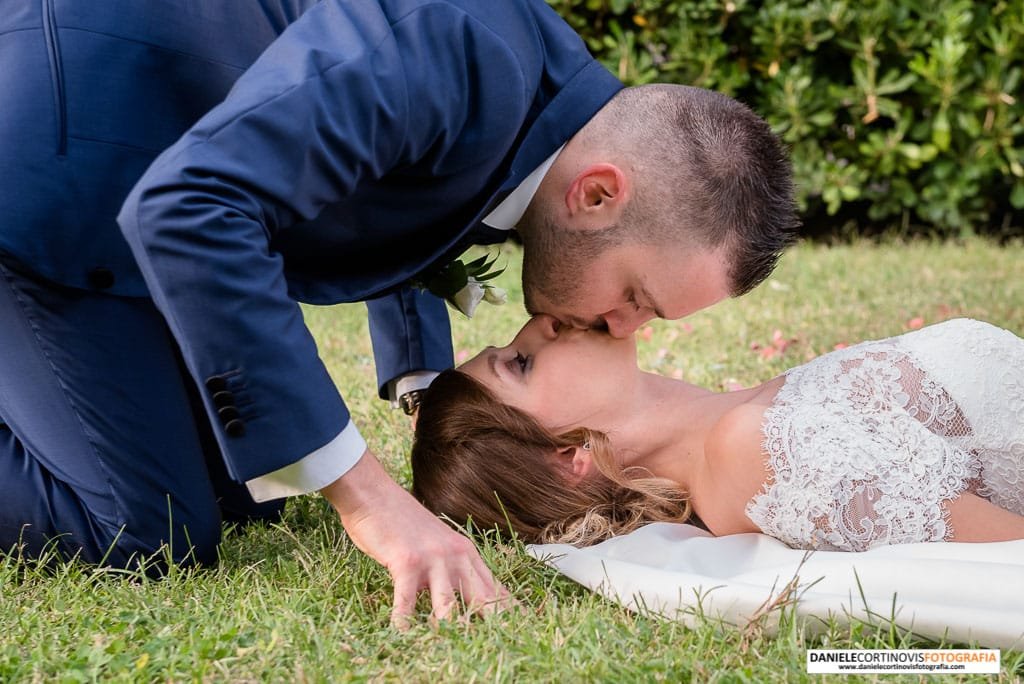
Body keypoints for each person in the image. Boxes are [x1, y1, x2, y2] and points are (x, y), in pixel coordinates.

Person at [0, 0, 797, 622]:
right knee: (145, 532)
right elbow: (191, 206)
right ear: (596, 194)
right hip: (52, 165)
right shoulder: (453, 43)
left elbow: (401, 188)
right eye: (635, 301)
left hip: (130, 184)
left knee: (238, 494)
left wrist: (424, 386)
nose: (625, 332)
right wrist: (374, 507)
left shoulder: (540, 99)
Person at [411, 315, 1024, 551]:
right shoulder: (756, 449)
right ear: (567, 456)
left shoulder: (748, 421)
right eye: (521, 362)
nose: (541, 321)